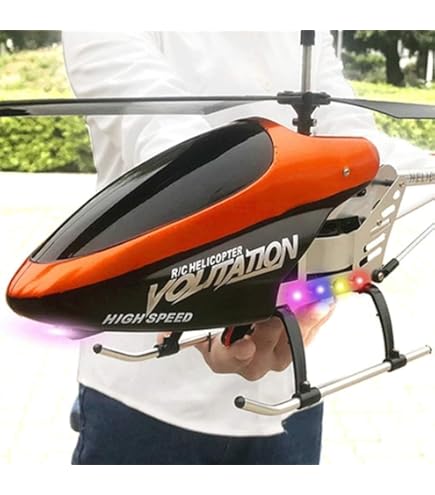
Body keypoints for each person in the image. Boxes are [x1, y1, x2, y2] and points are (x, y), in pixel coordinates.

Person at [62, 31, 434, 465]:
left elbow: (355, 144)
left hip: (290, 399)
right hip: (145, 403)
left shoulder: (307, 27)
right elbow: (165, 137)